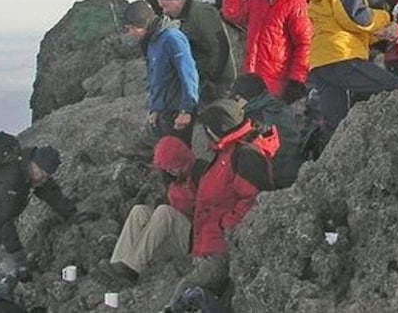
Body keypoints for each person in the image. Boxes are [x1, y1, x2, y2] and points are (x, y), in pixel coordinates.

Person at [162, 99, 275, 311]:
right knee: (192, 294)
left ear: (215, 131)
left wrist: (223, 225)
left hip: (223, 248)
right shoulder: (226, 153)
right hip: (210, 244)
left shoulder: (246, 155)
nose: (205, 138)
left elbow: (255, 200)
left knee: (185, 290)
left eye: (206, 131)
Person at [0, 145, 96, 296]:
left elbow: (53, 195)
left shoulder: (32, 174)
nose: (43, 179)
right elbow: (3, 221)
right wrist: (20, 260)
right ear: (34, 163)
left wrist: (72, 215)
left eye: (47, 176)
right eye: (42, 173)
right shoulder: (10, 177)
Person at [307, 0, 398, 149]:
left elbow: (342, 23)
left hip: (322, 61)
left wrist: (376, 35)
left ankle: (329, 172)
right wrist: (386, 18)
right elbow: (358, 17)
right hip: (340, 57)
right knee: (396, 88)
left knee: (337, 125)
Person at [99, 136, 203, 288]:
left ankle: (132, 269)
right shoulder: (173, 179)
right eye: (167, 168)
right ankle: (118, 265)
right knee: (139, 211)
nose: (170, 171)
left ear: (182, 159)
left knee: (164, 212)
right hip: (178, 232)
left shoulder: (200, 171)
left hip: (195, 239)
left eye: (173, 167)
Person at [221, 0, 312, 103]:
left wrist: (297, 80)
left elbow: (304, 43)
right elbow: (232, 14)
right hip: (252, 76)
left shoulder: (295, 3)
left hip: (276, 80)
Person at [124, 0, 199, 146]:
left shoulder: (172, 38)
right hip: (165, 112)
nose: (130, 33)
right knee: (164, 159)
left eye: (132, 28)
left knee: (176, 160)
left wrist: (186, 110)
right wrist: (155, 109)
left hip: (178, 113)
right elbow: (156, 79)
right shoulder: (152, 40)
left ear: (143, 23)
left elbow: (189, 73)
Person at [157, 0, 236, 102]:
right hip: (202, 81)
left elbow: (220, 46)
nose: (164, 12)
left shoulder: (202, 12)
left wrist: (210, 77)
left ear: (178, 0)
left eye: (165, 6)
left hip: (219, 82)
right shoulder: (182, 19)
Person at [230, 73, 304, 189]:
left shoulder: (253, 119)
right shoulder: (281, 107)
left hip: (276, 179)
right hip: (297, 170)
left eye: (235, 99)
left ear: (242, 98)